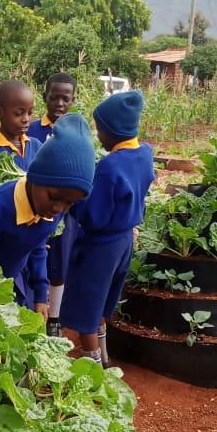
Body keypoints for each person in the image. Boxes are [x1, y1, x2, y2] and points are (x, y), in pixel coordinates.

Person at [0, 113, 96, 312]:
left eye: (69, 203)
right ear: (34, 177)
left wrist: (41, 296)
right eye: (54, 197)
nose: (59, 208)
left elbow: (38, 245)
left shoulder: (52, 209)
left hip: (12, 277)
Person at [60, 90, 155, 367]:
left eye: (100, 129)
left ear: (114, 130)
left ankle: (93, 366)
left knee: (85, 306)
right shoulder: (145, 153)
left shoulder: (110, 165)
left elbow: (94, 215)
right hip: (125, 242)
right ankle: (104, 355)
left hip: (100, 245)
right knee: (102, 302)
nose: (98, 135)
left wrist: (70, 202)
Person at [27, 74, 77, 337]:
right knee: (34, 258)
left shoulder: (76, 134)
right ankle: (33, 308)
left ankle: (54, 318)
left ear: (73, 101)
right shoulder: (33, 130)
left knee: (58, 265)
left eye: (65, 98)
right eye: (54, 97)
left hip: (63, 214)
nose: (59, 103)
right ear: (44, 96)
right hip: (34, 211)